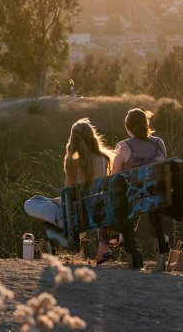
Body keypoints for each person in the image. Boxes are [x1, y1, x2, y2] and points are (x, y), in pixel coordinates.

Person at [24, 118, 114, 259]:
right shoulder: (104, 159)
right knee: (40, 199)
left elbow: (68, 199)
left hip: (73, 218)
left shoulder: (73, 162)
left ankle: (60, 236)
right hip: (93, 216)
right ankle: (60, 234)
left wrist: (57, 201)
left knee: (30, 203)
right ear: (93, 137)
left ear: (72, 140)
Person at [97, 108, 167, 262]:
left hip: (132, 200)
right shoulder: (159, 143)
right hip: (156, 198)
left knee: (111, 198)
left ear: (127, 127)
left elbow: (114, 181)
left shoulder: (123, 147)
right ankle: (121, 236)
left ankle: (104, 249)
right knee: (133, 197)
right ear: (147, 125)